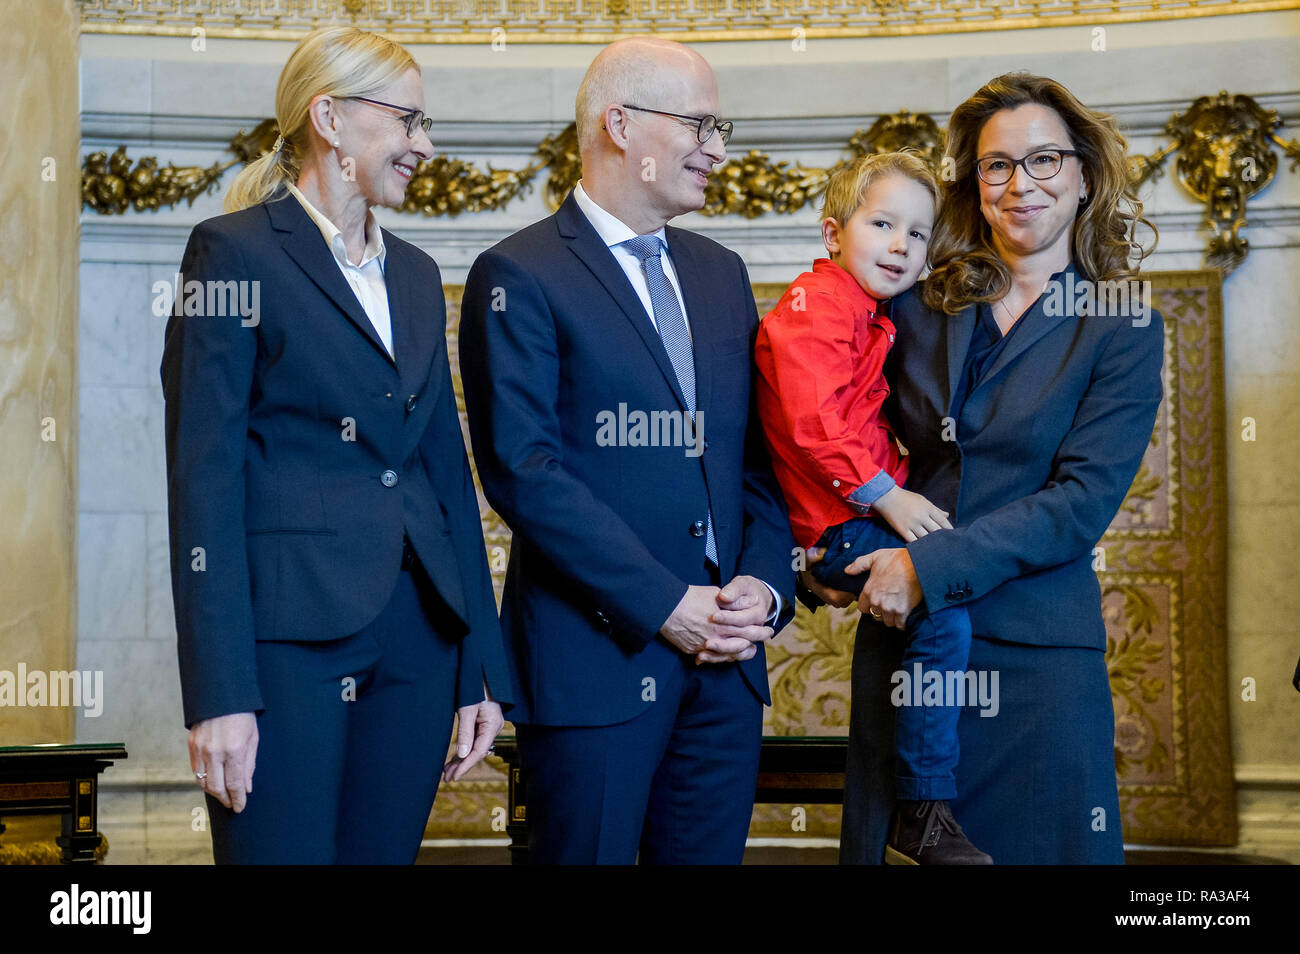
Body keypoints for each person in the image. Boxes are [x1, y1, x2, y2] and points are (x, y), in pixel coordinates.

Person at [161, 26, 510, 864]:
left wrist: (480, 668)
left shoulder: (421, 275)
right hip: (285, 651)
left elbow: (445, 482)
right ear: (328, 116)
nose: (424, 144)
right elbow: (203, 484)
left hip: (420, 644)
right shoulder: (232, 252)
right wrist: (219, 696)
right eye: (406, 120)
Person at [803, 72, 1164, 864]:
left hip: (1036, 662)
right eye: (997, 165)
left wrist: (928, 565)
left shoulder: (1123, 323)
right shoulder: (915, 299)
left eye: (1043, 161)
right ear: (974, 181)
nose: (1019, 184)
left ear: (1082, 174)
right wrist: (816, 557)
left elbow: (1079, 503)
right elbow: (828, 420)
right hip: (907, 650)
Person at [458, 36, 796, 865]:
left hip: (725, 672)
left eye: (722, 128)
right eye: (701, 125)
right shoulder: (518, 273)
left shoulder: (721, 272)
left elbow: (755, 461)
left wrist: (763, 585)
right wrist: (662, 603)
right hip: (596, 668)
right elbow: (523, 471)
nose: (719, 149)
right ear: (619, 124)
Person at [755, 152, 990, 864]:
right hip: (837, 522)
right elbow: (811, 422)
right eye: (882, 223)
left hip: (847, 514)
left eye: (917, 235)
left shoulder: (868, 313)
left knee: (936, 616)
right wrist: (890, 496)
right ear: (833, 233)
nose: (900, 245)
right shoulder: (819, 307)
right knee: (940, 615)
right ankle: (920, 807)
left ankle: (916, 805)